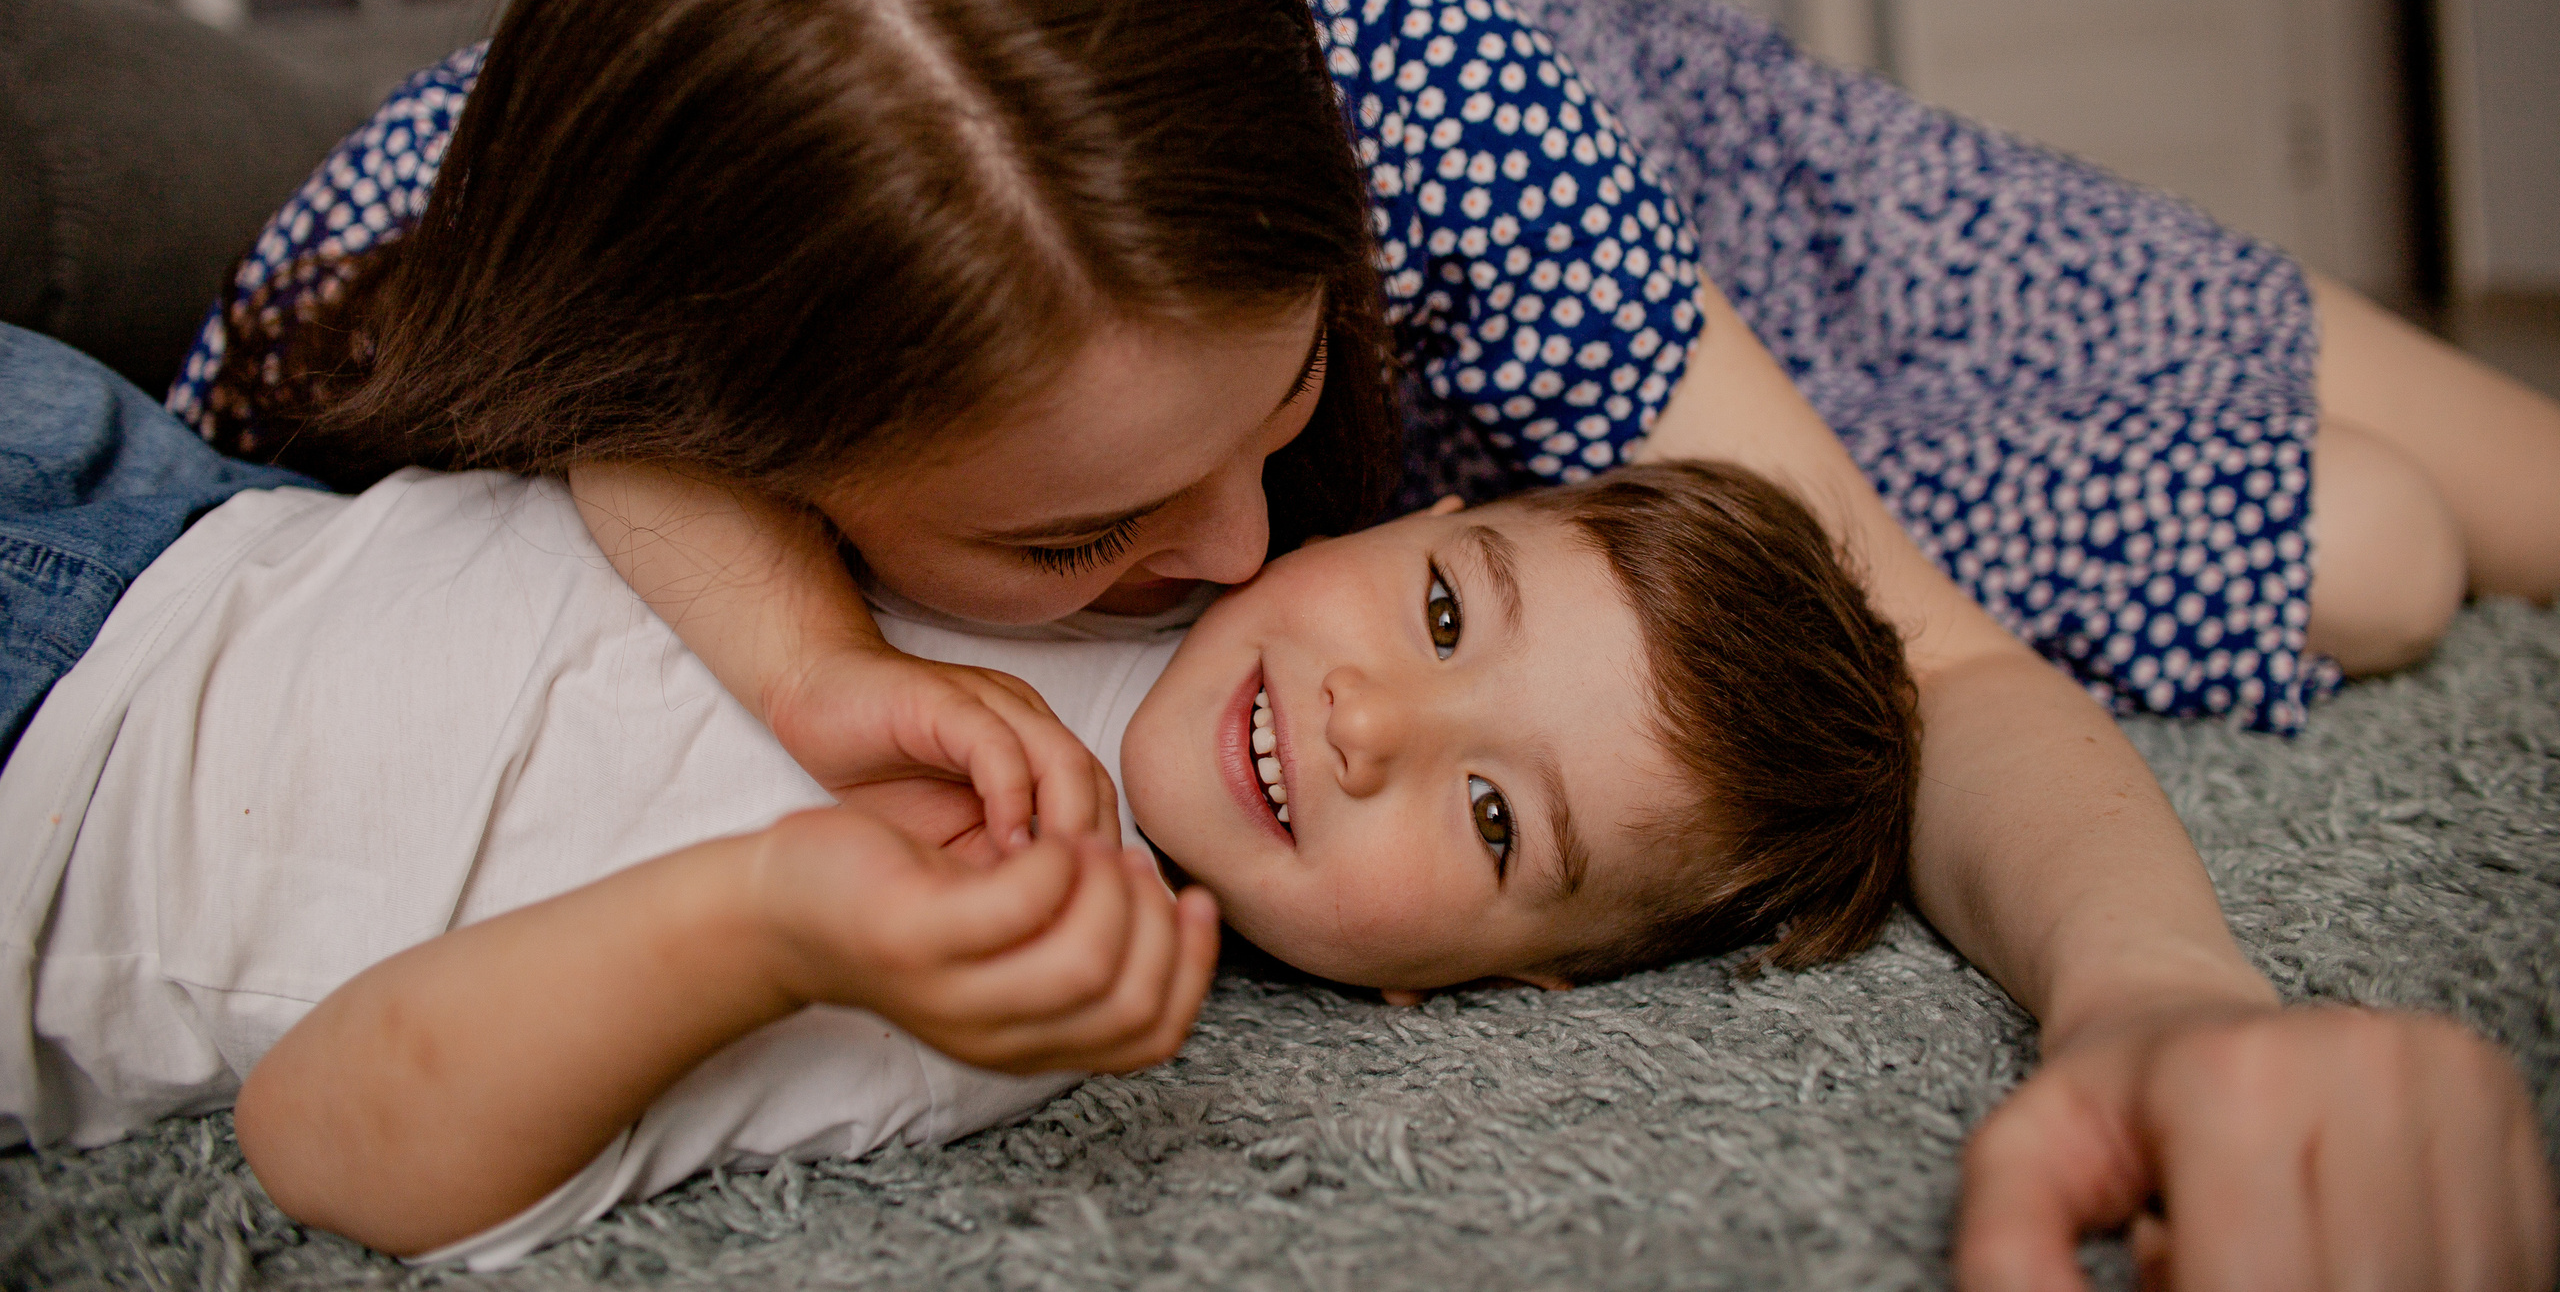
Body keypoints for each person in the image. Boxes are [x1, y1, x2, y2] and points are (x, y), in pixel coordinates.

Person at [168, 0, 2560, 1284]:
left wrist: (2153, 992)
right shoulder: (411, 324)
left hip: (1645, 203)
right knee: (2360, 555)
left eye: (1278, 405)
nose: (1226, 555)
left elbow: (1925, 652)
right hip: (1582, 542)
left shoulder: (1422, 111)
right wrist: (816, 665)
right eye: (1067, 540)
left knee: (2456, 472)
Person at [1, 324, 1921, 1266]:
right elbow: (632, 416)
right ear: (1417, 509)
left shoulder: (997, 972)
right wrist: (823, 664)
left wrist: (770, 918)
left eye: (1497, 824)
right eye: (1441, 608)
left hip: (45, 827)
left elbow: (326, 1142)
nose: (1369, 725)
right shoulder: (1118, 522)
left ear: (1482, 992)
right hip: (132, 500)